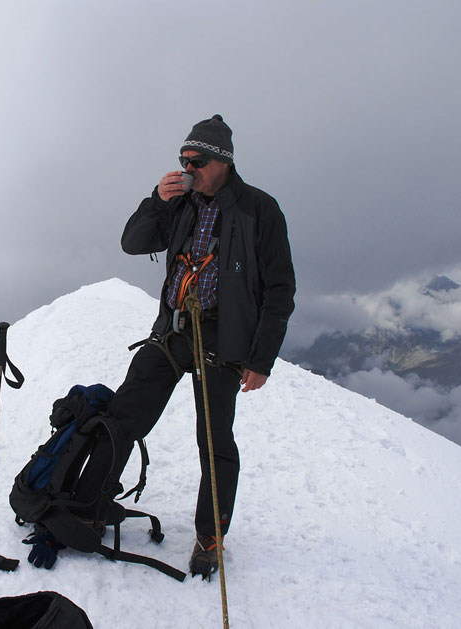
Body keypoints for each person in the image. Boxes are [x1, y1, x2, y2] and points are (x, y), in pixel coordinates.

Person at [78, 114, 296, 578]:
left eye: (195, 160)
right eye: (183, 159)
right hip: (173, 330)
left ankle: (210, 538)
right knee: (123, 415)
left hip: (224, 338)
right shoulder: (179, 203)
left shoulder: (261, 209)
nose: (187, 167)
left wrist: (261, 359)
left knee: (214, 441)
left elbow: (280, 289)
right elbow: (132, 243)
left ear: (222, 162)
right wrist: (156, 201)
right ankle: (87, 507)